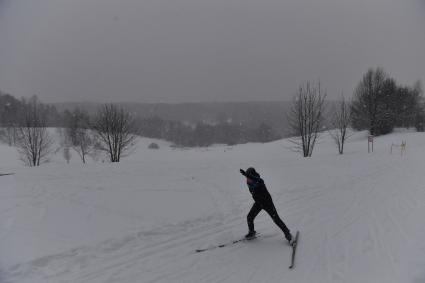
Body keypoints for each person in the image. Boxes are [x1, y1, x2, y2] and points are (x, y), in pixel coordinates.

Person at [240, 167, 294, 245]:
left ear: (252, 175)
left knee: (276, 219)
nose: (247, 179)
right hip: (258, 203)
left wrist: (248, 175)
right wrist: (247, 176)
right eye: (247, 178)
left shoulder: (259, 180)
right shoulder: (249, 182)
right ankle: (252, 232)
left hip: (267, 202)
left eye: (249, 177)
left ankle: (288, 235)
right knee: (249, 217)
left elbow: (258, 180)